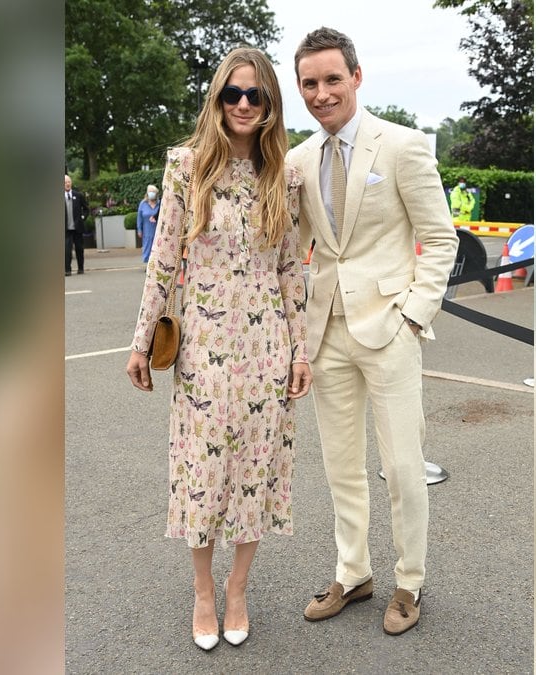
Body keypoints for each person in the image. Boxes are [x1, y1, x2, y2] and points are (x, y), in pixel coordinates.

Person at [125, 47, 313, 652]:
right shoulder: (185, 168)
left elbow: (290, 270)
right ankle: (203, 591)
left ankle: (238, 589)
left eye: (254, 95)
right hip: (204, 347)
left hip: (266, 348)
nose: (241, 105)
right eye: (231, 94)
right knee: (203, 471)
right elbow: (163, 260)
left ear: (270, 104)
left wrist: (301, 352)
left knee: (255, 470)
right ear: (216, 99)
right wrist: (139, 341)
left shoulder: (284, 175)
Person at [286, 27, 458, 636]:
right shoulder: (297, 161)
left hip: (390, 328)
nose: (322, 93)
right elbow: (292, 250)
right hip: (325, 331)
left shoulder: (403, 146)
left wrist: (414, 315)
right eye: (310, 83)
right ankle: (353, 572)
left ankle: (409, 581)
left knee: (403, 466)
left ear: (357, 77)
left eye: (333, 79)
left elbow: (440, 239)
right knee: (341, 466)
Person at [64, 174, 88, 275]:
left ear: (71, 183)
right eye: (65, 183)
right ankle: (67, 270)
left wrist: (83, 217)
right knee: (67, 250)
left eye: (68, 182)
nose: (67, 184)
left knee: (79, 249)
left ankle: (81, 268)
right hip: (66, 229)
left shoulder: (78, 195)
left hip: (77, 228)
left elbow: (86, 209)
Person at [135, 184, 161, 264]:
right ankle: (148, 264)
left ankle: (156, 263)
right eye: (150, 192)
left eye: (153, 192)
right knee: (147, 247)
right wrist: (139, 229)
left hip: (158, 230)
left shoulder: (159, 203)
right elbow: (139, 217)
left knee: (158, 247)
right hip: (147, 230)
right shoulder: (143, 204)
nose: (151, 193)